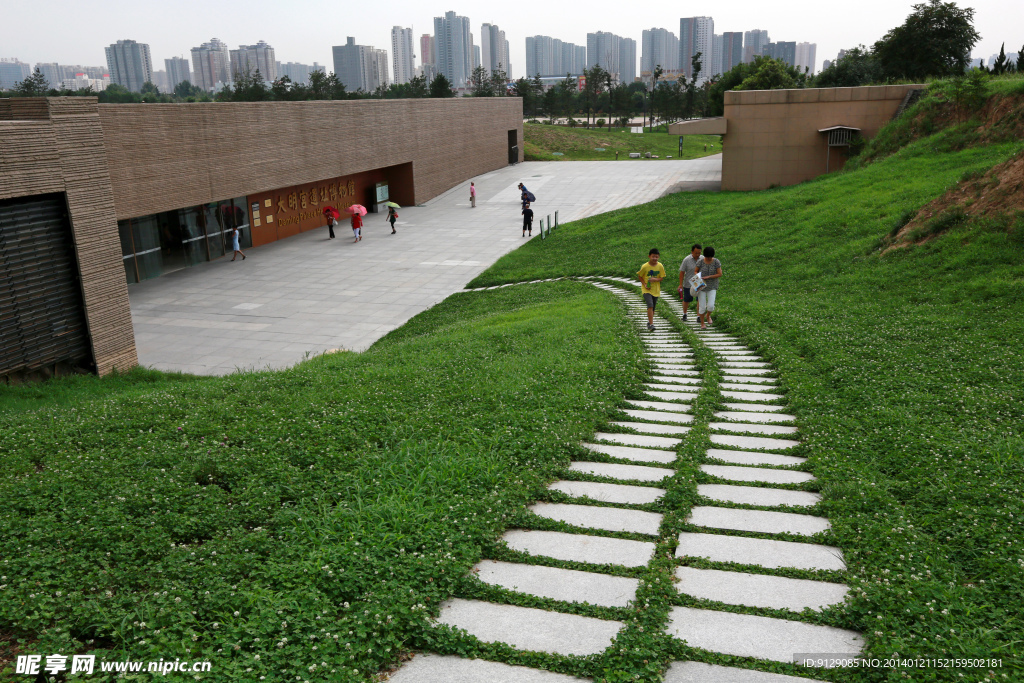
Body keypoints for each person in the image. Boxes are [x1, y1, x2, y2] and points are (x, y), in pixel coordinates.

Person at [637, 248, 666, 332]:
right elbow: (640, 276)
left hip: (656, 290)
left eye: (656, 257)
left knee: (653, 308)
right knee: (650, 305)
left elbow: (661, 278)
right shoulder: (645, 266)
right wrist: (644, 284)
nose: (655, 258)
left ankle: (649, 322)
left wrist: (655, 280)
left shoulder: (660, 266)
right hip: (646, 290)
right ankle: (651, 324)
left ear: (659, 257)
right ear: (649, 256)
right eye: (653, 256)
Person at [696, 246, 722, 329]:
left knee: (711, 306)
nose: (708, 258)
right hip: (701, 286)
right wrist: (698, 276)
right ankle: (702, 323)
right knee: (702, 306)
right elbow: (695, 270)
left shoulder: (716, 262)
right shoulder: (700, 261)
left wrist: (709, 277)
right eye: (707, 257)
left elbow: (719, 274)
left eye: (710, 257)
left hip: (712, 286)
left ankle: (708, 315)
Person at [677, 244, 702, 321]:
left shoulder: (703, 259)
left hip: (699, 281)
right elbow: (682, 272)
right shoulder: (686, 260)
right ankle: (684, 313)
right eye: (696, 253)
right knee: (687, 299)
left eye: (699, 253)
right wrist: (680, 284)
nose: (697, 255)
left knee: (700, 299)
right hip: (689, 282)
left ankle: (698, 316)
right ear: (692, 252)